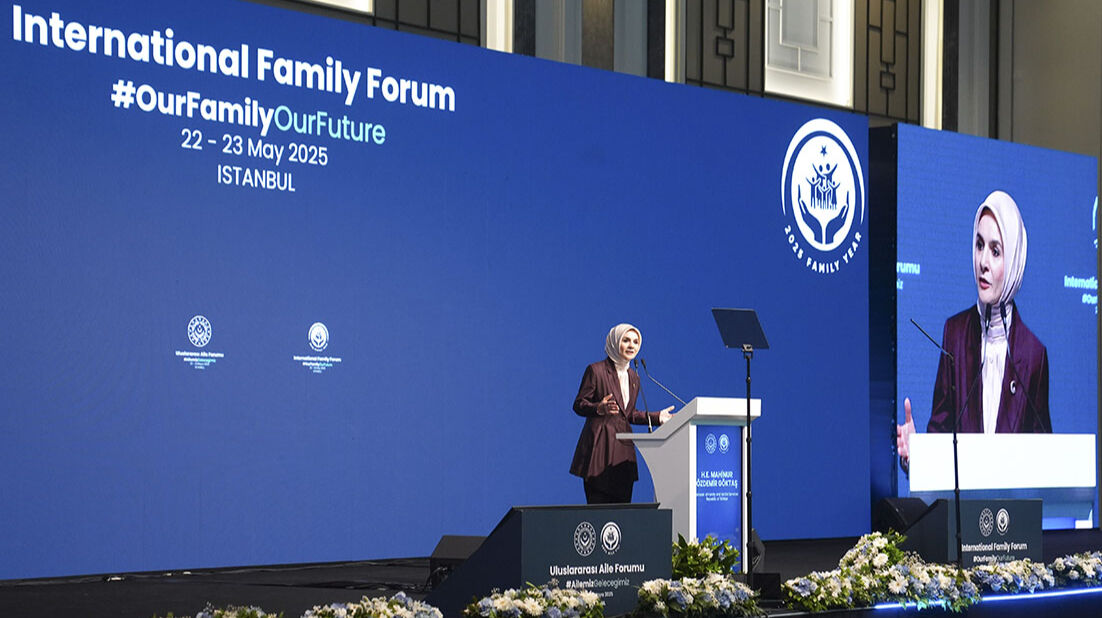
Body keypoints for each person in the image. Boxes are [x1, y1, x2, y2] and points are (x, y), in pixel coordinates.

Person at [897, 190, 1052, 466]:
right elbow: (939, 439)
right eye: (979, 245)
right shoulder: (954, 334)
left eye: (995, 251)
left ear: (1014, 260)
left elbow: (1043, 461)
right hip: (963, 509)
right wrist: (917, 456)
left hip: (1011, 509)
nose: (983, 263)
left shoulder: (1033, 354)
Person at [570, 323, 674, 504]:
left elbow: (630, 414)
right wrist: (598, 408)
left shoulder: (634, 377)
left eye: (635, 342)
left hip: (623, 452)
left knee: (622, 514)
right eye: (626, 340)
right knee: (599, 511)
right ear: (614, 341)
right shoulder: (596, 370)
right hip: (599, 448)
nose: (631, 345)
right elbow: (579, 404)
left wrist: (657, 417)